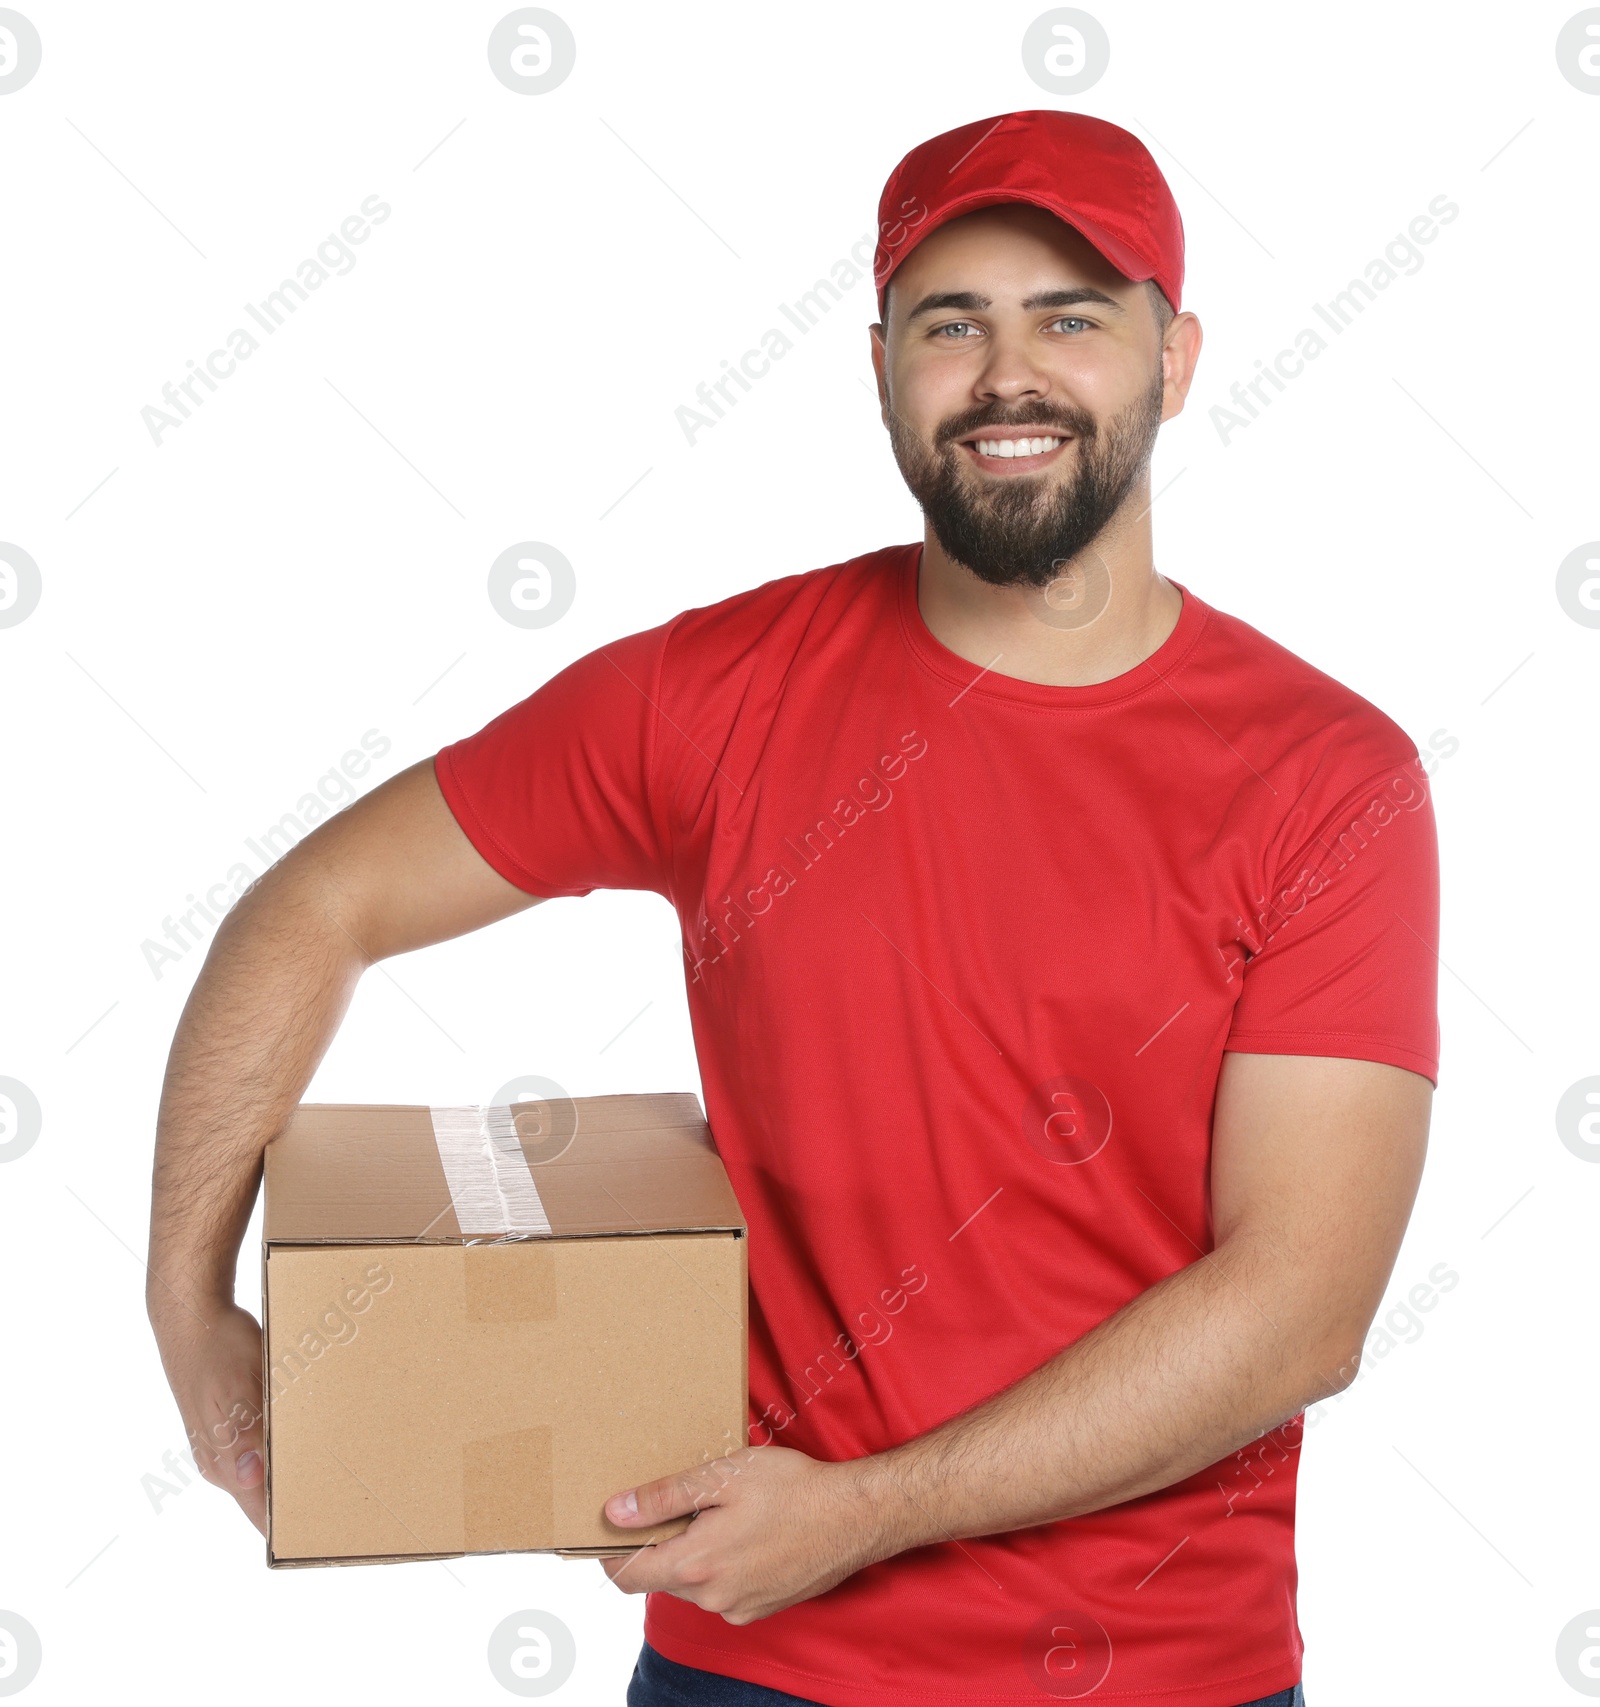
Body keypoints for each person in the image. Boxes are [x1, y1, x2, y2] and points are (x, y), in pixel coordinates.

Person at [146, 110, 1439, 1707]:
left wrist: (867, 1516)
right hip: (750, 1668)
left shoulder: (1326, 778)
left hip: (1159, 1673)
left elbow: (1302, 1307)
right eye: (952, 323)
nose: (1008, 375)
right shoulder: (716, 697)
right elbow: (311, 905)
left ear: (1174, 359)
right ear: (883, 364)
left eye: (1073, 318)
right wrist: (183, 1302)